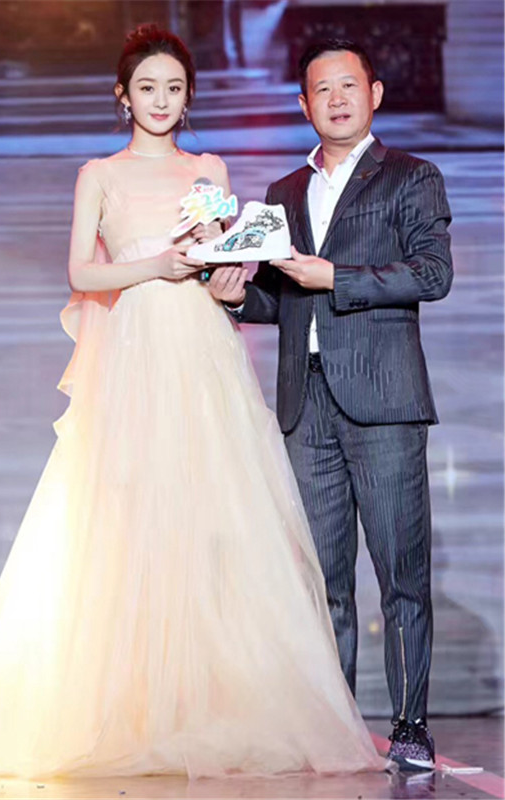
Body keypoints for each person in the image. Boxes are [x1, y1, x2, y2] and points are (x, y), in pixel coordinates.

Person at [0, 27, 385, 788]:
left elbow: (223, 260)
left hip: (202, 350)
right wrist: (157, 264)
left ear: (188, 97)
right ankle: (130, 706)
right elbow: (80, 270)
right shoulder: (100, 174)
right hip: (134, 357)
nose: (161, 101)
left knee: (214, 520)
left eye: (173, 88)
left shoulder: (208, 168)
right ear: (123, 97)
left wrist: (228, 274)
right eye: (147, 88)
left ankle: (214, 704)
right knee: (128, 522)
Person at [209, 39, 453, 772]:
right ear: (304, 103)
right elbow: (280, 299)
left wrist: (335, 277)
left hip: (384, 400)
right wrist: (234, 297)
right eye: (322, 89)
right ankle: (335, 726)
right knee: (320, 581)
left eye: (349, 86)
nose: (337, 99)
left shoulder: (412, 175)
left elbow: (432, 274)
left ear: (374, 94)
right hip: (304, 402)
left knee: (400, 574)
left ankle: (409, 726)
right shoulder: (283, 191)